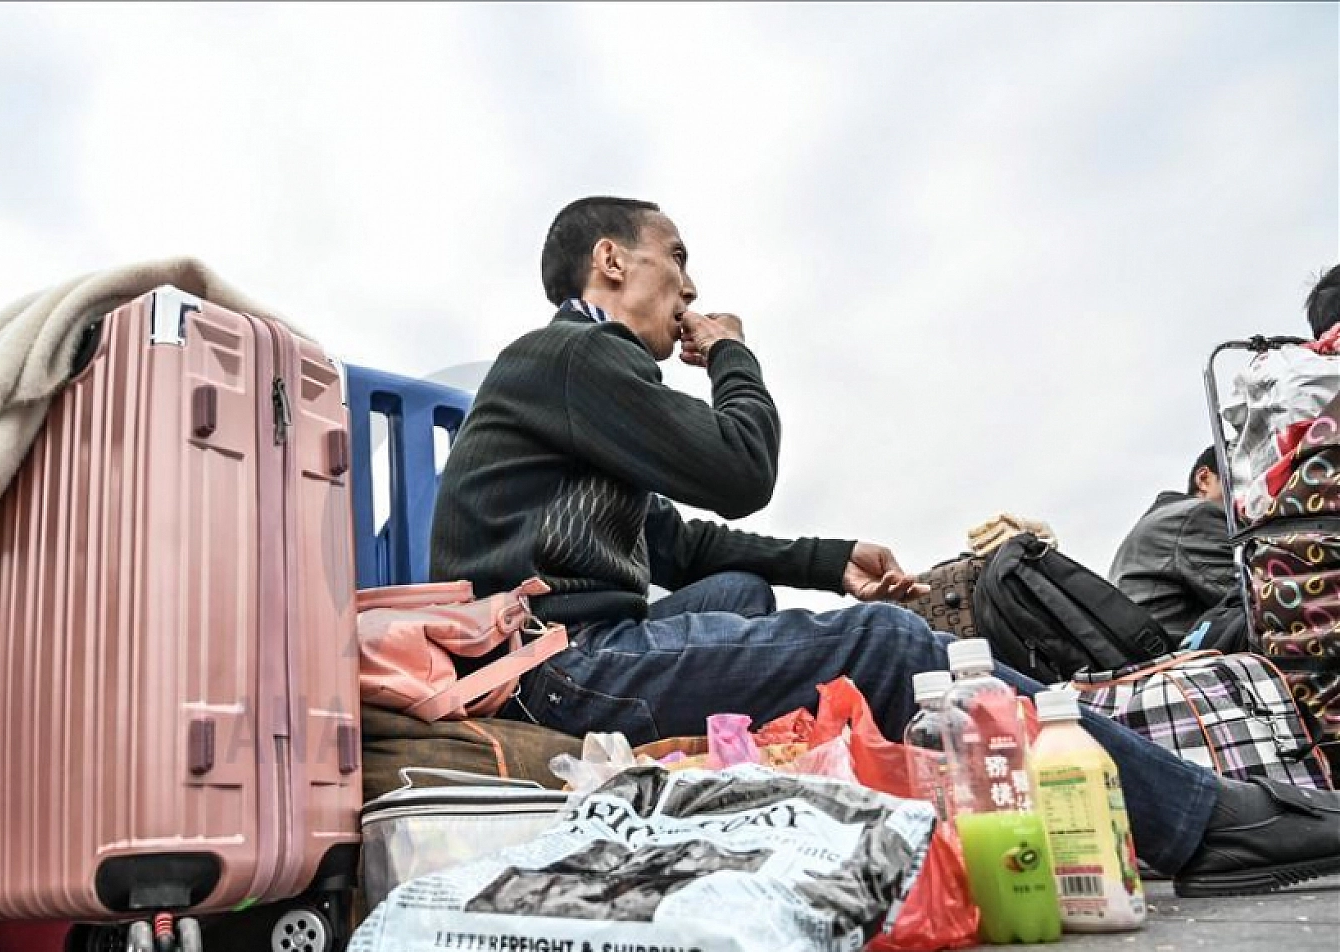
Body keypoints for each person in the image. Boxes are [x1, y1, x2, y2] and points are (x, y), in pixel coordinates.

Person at [429, 196, 1340, 898]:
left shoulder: (578, 385)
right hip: (559, 665)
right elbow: (741, 469)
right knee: (893, 647)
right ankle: (1203, 823)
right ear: (611, 260)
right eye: (677, 259)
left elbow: (679, 540)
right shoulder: (578, 359)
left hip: (562, 647)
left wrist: (830, 563)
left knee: (744, 590)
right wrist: (735, 359)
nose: (694, 289)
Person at [1108, 446, 1236, 645]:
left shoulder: (1166, 519)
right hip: (1177, 661)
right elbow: (1253, 598)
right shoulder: (1197, 516)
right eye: (1243, 482)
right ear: (1204, 479)